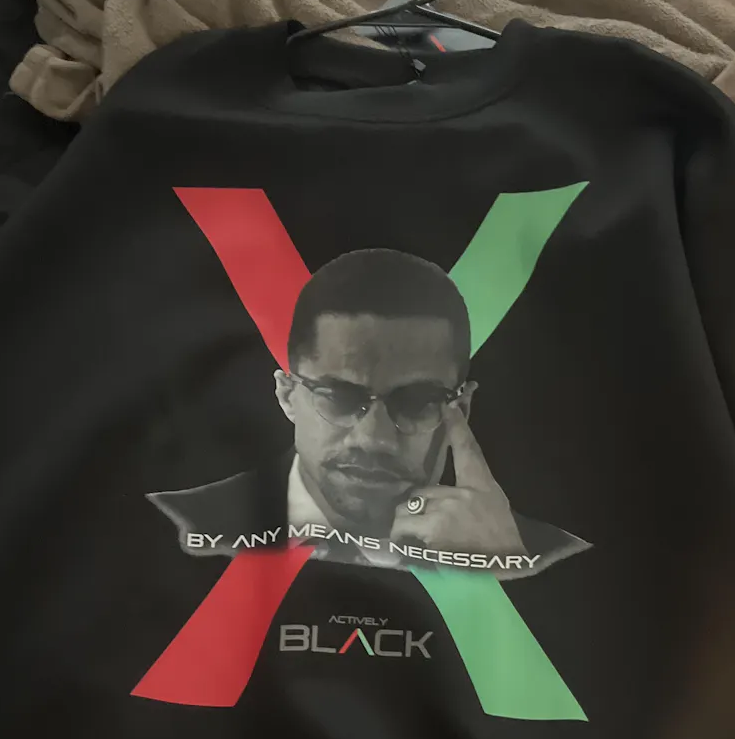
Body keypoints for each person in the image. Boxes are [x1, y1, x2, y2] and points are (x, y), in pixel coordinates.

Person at [149, 248, 588, 580]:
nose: (373, 438)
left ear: (462, 408)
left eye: (416, 401)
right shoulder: (169, 527)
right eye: (339, 397)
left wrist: (500, 568)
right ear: (287, 395)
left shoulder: (550, 560)